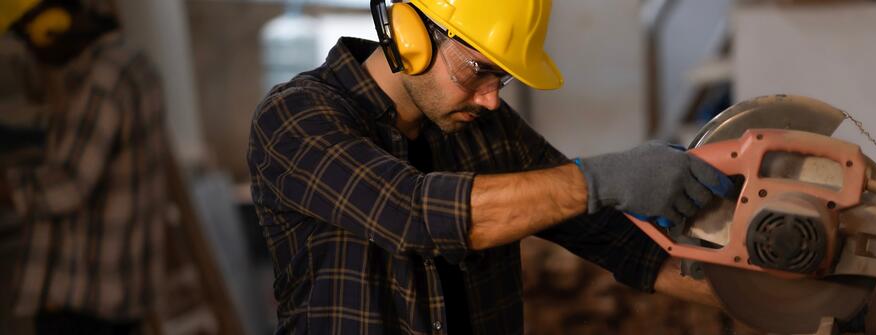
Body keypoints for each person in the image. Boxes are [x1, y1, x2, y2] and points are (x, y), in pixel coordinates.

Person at [248, 0, 732, 333]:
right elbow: (417, 213)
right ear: (411, 34)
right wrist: (600, 177)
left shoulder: (484, 128)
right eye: (479, 69)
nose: (491, 98)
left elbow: (625, 245)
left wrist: (773, 278)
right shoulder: (296, 119)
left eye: (501, 76)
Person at [0, 0, 169, 333]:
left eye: (25, 40)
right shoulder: (135, 62)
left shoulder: (99, 83)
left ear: (50, 27)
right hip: (121, 287)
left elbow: (67, 185)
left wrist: (7, 187)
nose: (32, 57)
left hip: (84, 297)